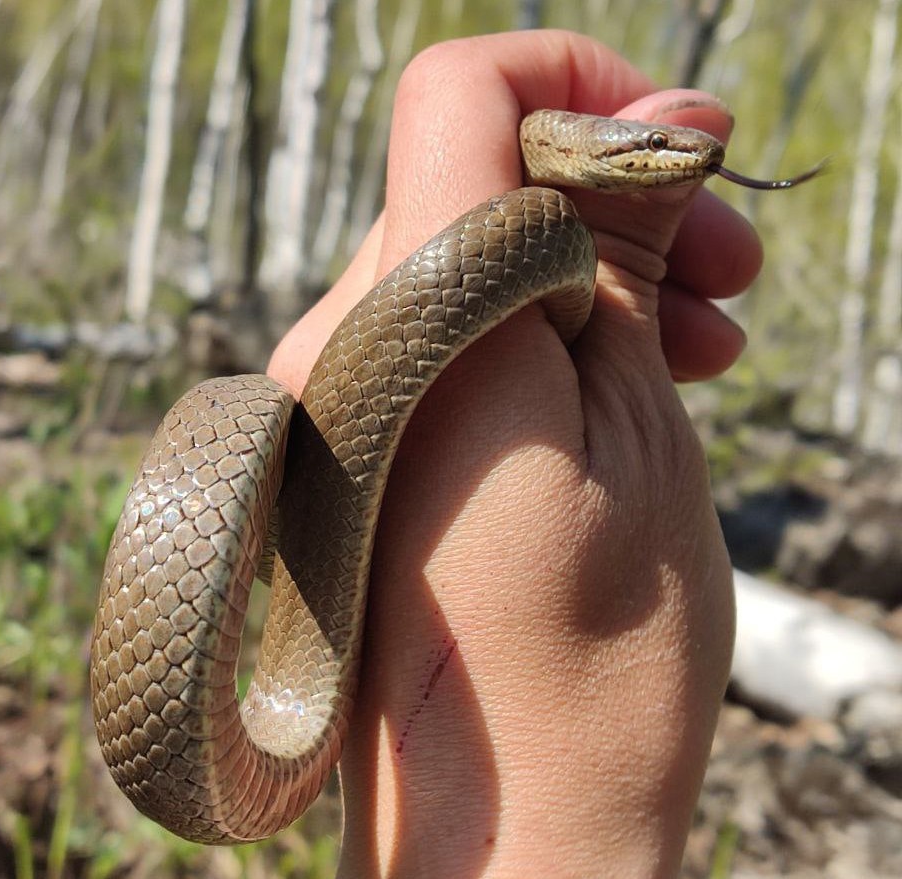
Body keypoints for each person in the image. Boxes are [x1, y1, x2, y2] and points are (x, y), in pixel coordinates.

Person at [269, 30, 753, 879]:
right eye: (654, 142)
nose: (685, 150)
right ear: (577, 145)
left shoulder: (545, 221)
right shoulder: (543, 219)